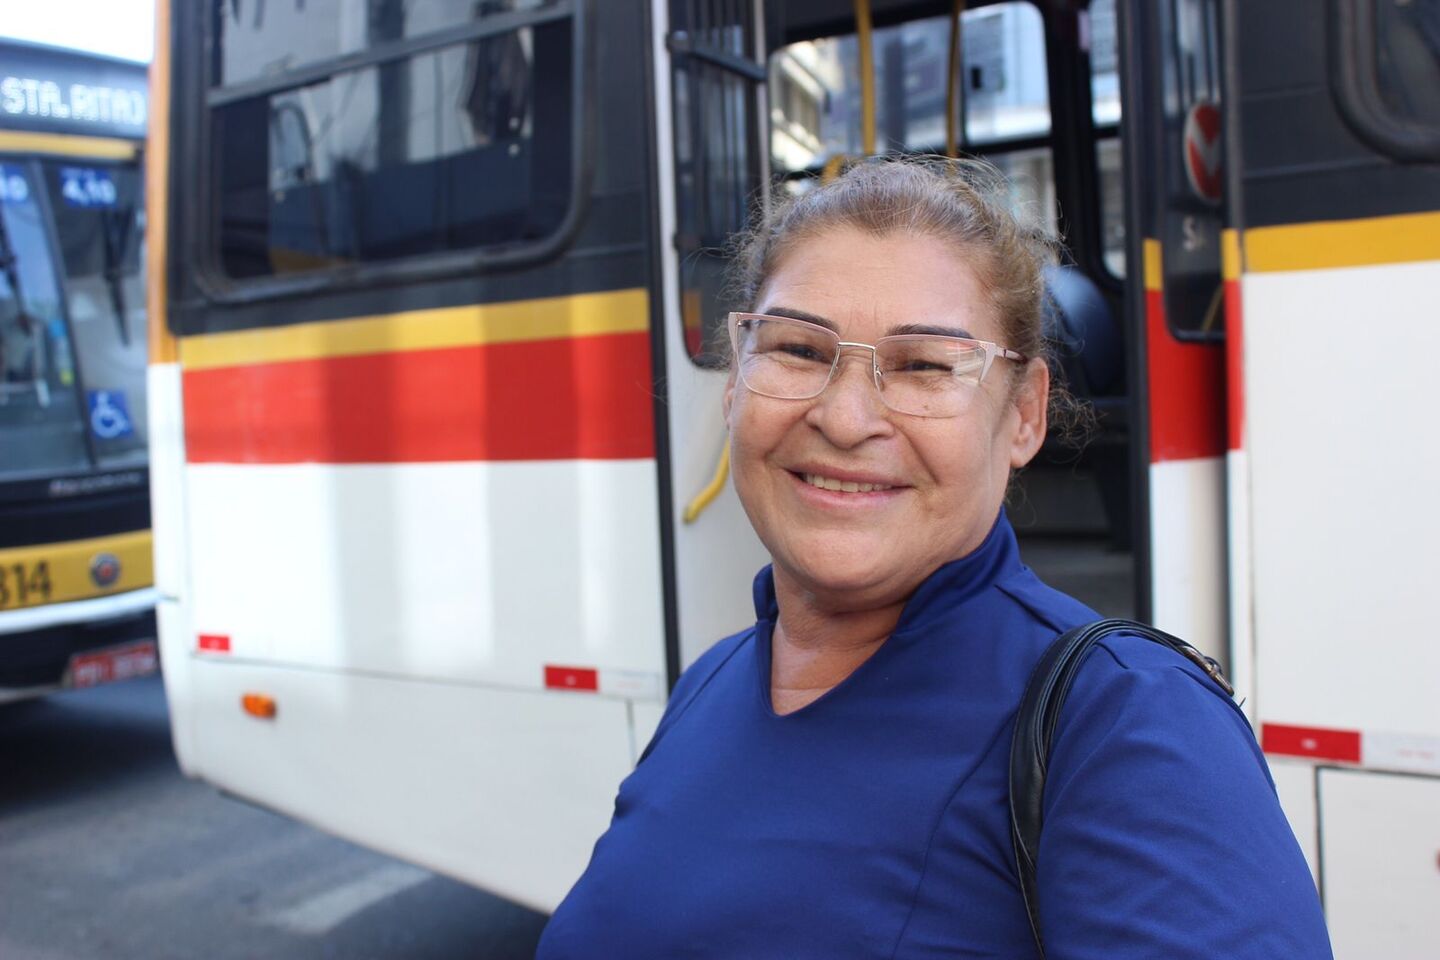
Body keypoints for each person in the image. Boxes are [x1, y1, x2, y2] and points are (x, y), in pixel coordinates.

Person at [536, 158, 1333, 959]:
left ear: (1023, 416)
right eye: (799, 351)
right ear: (736, 385)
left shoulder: (1131, 722)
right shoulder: (711, 682)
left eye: (923, 366)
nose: (845, 419)